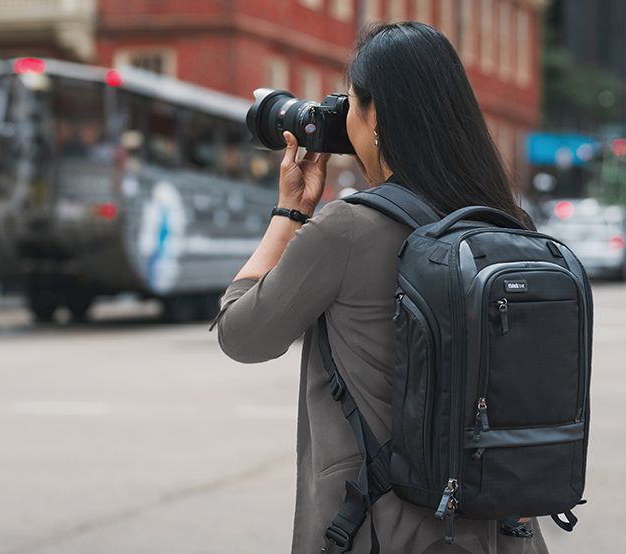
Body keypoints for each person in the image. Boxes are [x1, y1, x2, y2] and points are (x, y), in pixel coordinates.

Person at [211, 23, 544, 554]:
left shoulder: (348, 229)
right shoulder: (508, 226)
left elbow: (242, 333)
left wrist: (291, 210)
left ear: (375, 117)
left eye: (351, 105)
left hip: (383, 531)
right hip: (503, 530)